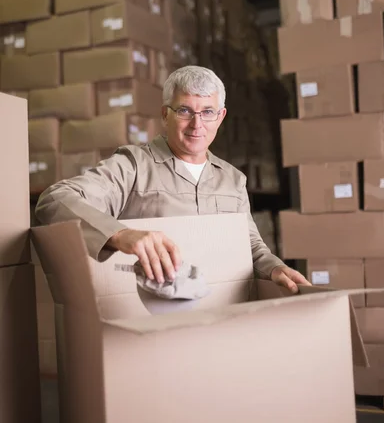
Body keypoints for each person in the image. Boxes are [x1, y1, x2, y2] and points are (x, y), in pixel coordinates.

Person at [35, 65, 310, 293]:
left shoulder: (232, 180)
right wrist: (120, 234)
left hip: (221, 314)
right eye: (185, 111)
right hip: (149, 315)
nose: (196, 124)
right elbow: (54, 200)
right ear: (165, 114)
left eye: (207, 112)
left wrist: (275, 267)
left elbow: (250, 246)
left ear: (220, 117)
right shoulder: (134, 165)